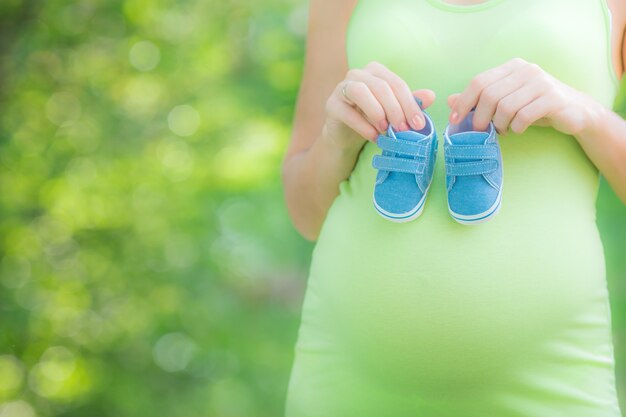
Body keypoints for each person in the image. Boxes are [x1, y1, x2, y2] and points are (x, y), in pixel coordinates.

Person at [281, 0, 626, 415]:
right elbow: (306, 213)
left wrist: (590, 115)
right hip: (344, 384)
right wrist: (337, 139)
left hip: (556, 384)